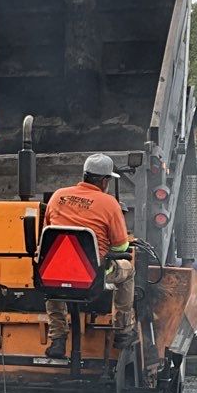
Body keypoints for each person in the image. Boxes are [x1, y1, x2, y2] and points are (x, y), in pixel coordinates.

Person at [42, 152, 136, 360]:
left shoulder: (58, 196)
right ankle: (123, 330)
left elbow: (47, 234)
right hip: (94, 275)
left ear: (84, 174)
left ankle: (57, 338)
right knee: (128, 271)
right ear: (105, 180)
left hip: (56, 272)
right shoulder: (109, 203)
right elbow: (120, 246)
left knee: (52, 282)